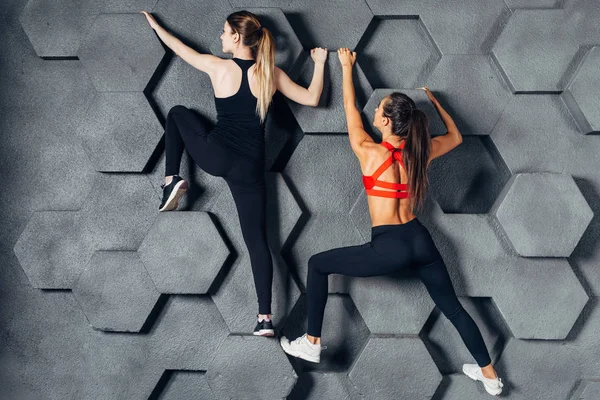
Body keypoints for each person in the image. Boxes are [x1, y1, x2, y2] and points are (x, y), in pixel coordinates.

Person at [280, 48, 503, 396]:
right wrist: (436, 102)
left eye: (379, 111)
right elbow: (457, 137)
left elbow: (350, 109)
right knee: (454, 309)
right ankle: (490, 376)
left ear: (385, 122)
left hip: (390, 246)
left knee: (317, 264)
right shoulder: (420, 152)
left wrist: (345, 67)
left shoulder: (368, 151)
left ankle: (311, 340)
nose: (374, 112)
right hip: (420, 239)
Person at [141, 10, 328, 336]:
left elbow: (179, 49)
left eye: (225, 32)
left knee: (177, 113)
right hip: (250, 167)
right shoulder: (271, 74)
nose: (221, 37)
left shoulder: (219, 66)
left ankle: (172, 178)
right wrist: (322, 63)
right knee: (258, 242)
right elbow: (312, 98)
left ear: (238, 37)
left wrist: (157, 25)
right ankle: (264, 319)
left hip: (216, 155)